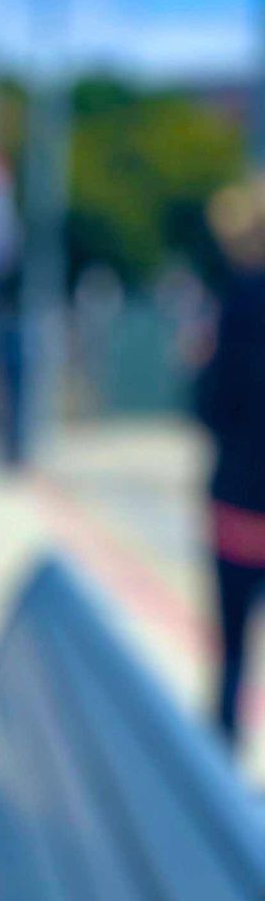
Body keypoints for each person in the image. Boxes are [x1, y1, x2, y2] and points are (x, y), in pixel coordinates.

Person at [194, 177, 265, 751]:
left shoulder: (238, 300)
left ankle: (221, 762)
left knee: (232, 649)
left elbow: (210, 405)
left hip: (239, 500)